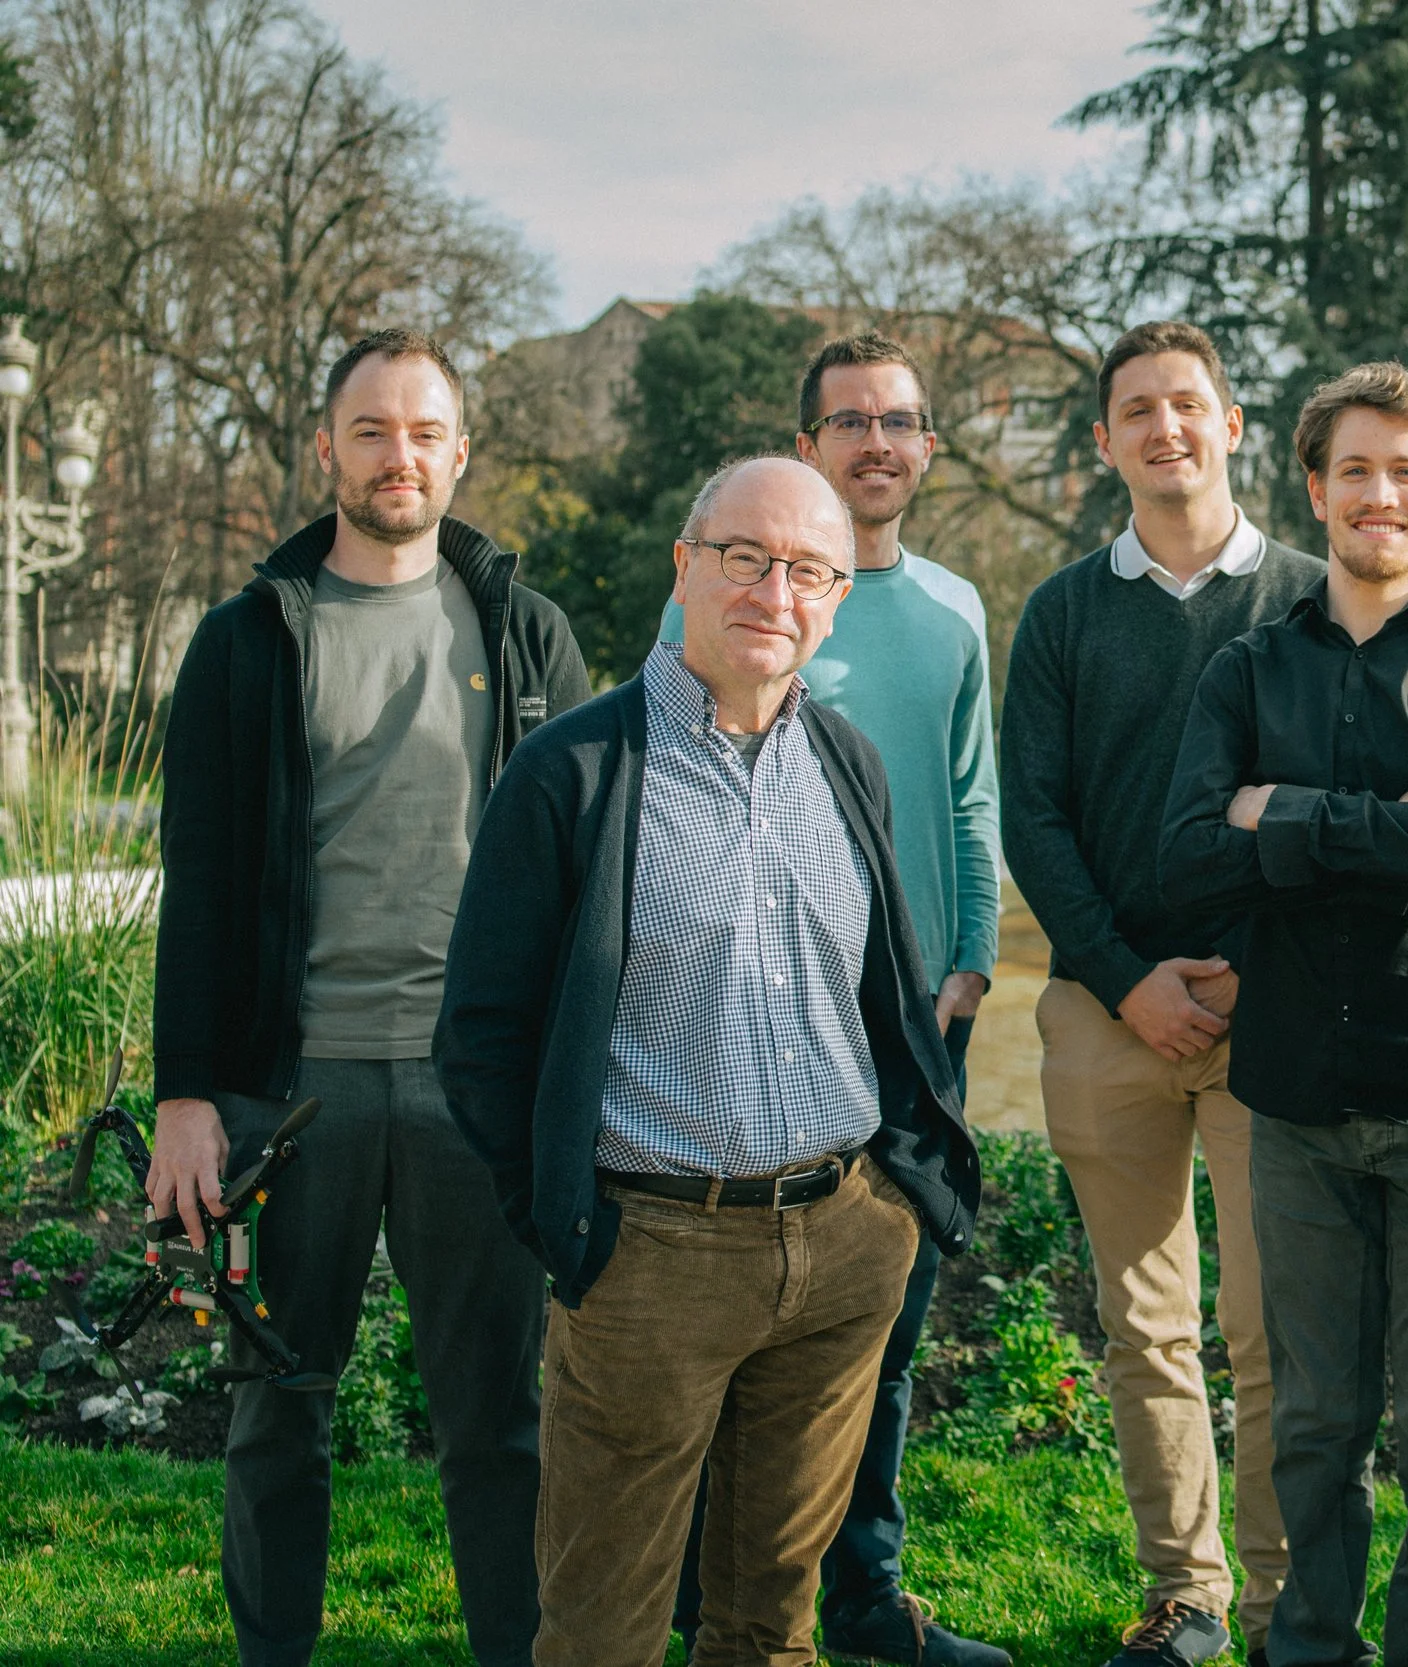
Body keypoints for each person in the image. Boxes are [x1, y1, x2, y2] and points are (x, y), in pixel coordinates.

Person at [435, 457, 982, 1667]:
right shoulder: (573, 772)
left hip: (840, 1245)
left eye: (806, 570)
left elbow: (880, 987)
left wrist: (895, 1194)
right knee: (603, 1626)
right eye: (743, 556)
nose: (772, 591)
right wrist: (569, 1226)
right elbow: (479, 1035)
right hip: (653, 1258)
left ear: (836, 598)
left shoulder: (846, 761)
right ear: (684, 567)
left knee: (770, 1620)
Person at [148, 328, 586, 1667]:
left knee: (499, 1421)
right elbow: (202, 880)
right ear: (326, 447)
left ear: (462, 450)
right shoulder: (246, 640)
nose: (401, 455)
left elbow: (583, 867)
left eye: (425, 431)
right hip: (299, 1090)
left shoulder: (528, 629)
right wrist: (184, 1094)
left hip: (476, 1089)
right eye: (373, 429)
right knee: (279, 1403)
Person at [1161, 362, 1408, 1667]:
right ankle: (1307, 1647)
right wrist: (1401, 822)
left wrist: (1288, 813)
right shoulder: (1246, 669)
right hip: (1299, 1107)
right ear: (1314, 487)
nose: (1382, 492)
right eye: (1357, 468)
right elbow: (1186, 856)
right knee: (1313, 1426)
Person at [658, 331, 1007, 1667]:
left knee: (886, 1331)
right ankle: (706, 1602)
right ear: (805, 445)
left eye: (902, 421)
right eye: (849, 419)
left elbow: (972, 795)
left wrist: (969, 956)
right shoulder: (737, 593)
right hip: (758, 1024)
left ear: (925, 446)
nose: (877, 441)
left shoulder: (957, 609)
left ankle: (864, 1597)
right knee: (730, 1328)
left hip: (917, 1028)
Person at [999, 321, 1323, 1667]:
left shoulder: (1310, 597)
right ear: (1105, 440)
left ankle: (1285, 1603)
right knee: (1146, 1328)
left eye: (1188, 404)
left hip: (1275, 1011)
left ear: (1234, 422)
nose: (1165, 427)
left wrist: (1253, 962)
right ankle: (1188, 1598)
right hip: (1107, 1012)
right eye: (1138, 409)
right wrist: (1131, 979)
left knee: (1274, 1327)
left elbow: (1331, 803)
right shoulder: (1068, 611)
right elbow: (1035, 816)